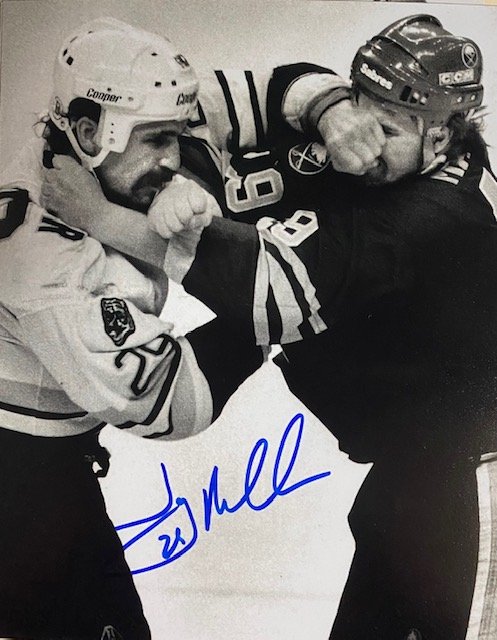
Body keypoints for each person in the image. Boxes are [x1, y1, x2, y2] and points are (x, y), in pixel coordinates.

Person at [41, 14, 497, 640]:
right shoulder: (393, 165)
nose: (360, 149)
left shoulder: (440, 216)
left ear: (441, 136)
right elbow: (274, 88)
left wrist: (100, 216)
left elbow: (275, 296)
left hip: (469, 484)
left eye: (386, 131)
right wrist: (330, 109)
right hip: (412, 475)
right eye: (360, 117)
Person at [0, 17, 264, 639]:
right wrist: (270, 304)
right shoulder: (45, 266)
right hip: (22, 487)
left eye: (176, 134)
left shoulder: (70, 143)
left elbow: (262, 93)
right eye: (156, 141)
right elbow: (174, 404)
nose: (173, 161)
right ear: (90, 133)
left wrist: (329, 107)